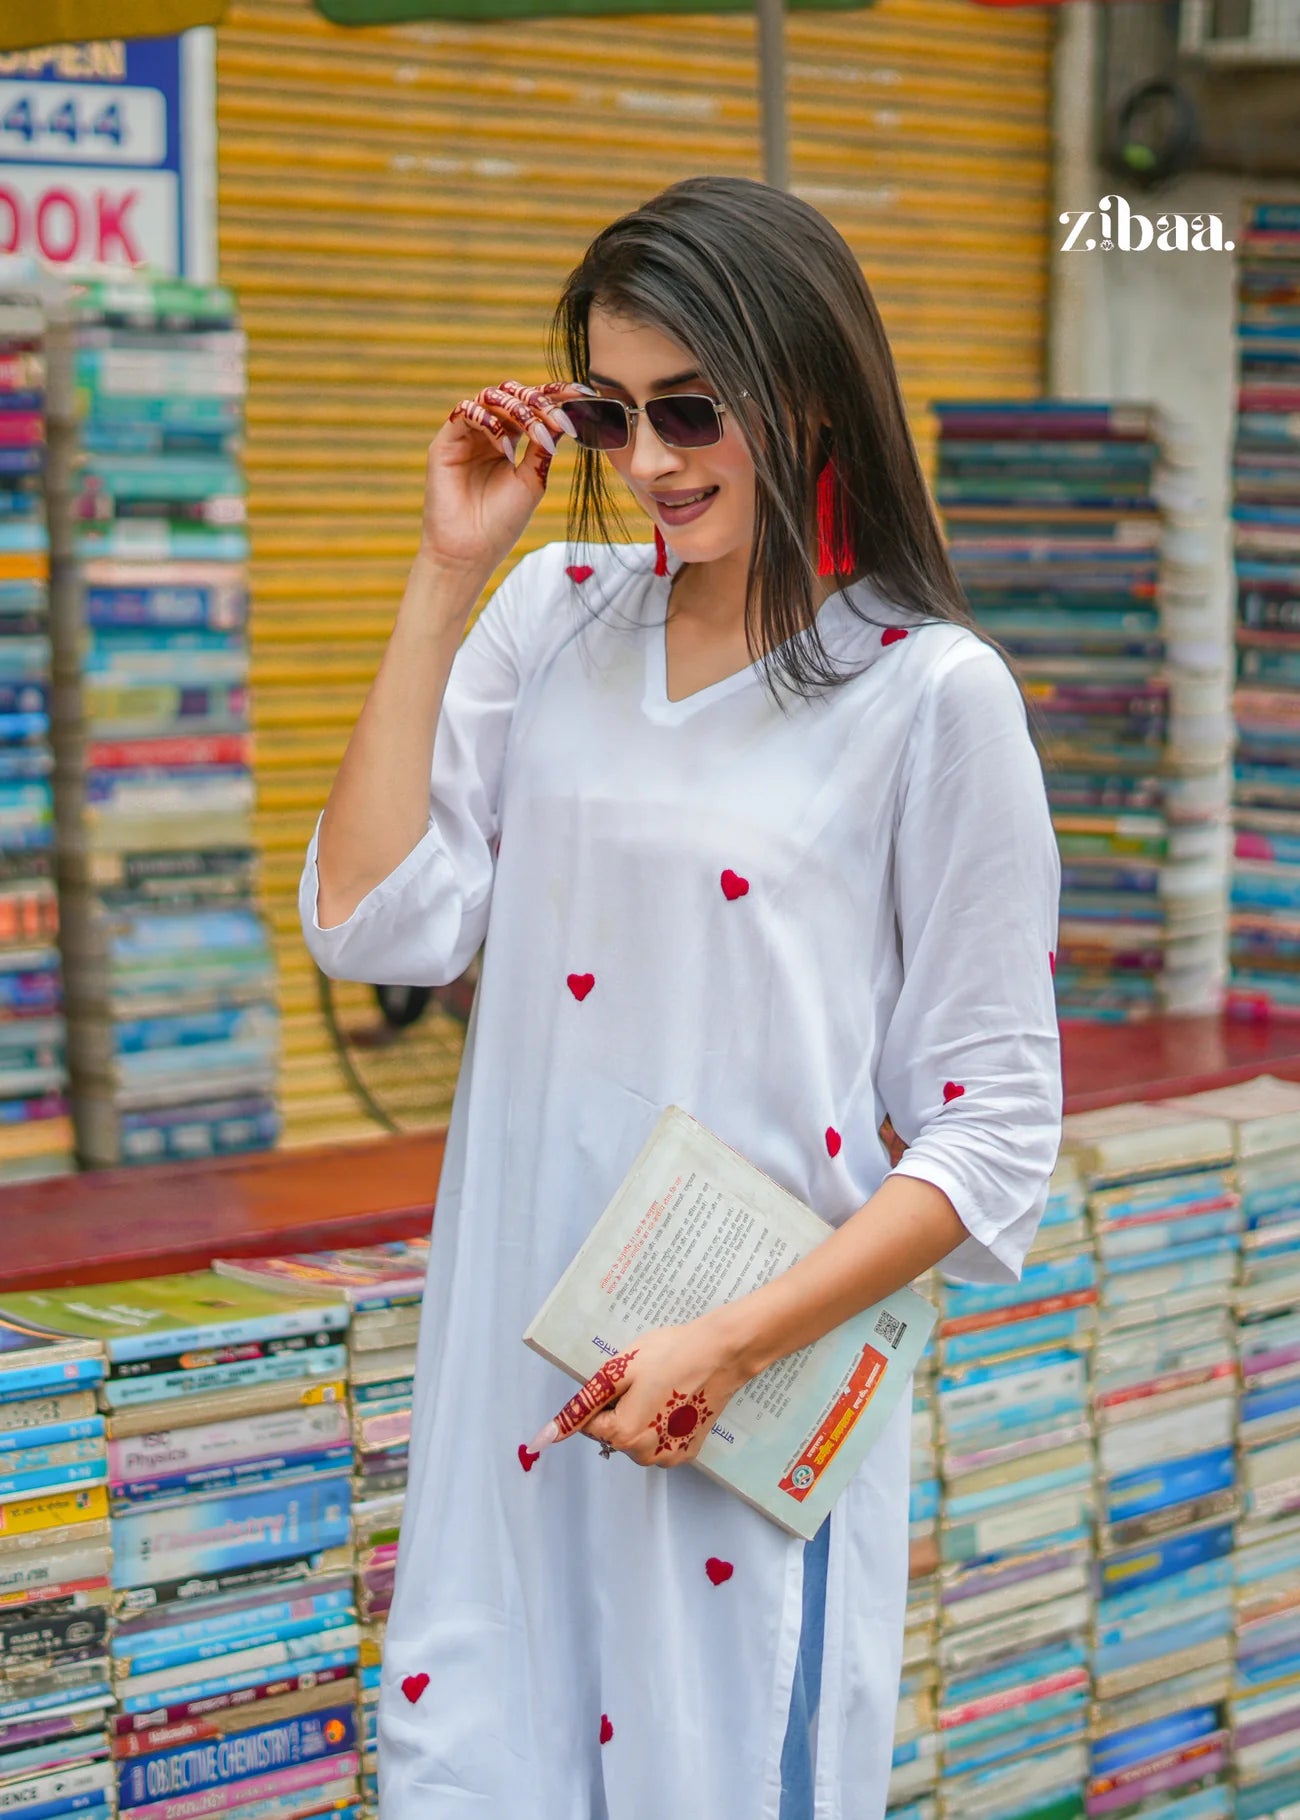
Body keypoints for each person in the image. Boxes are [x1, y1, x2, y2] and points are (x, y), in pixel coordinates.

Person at [299, 175, 1062, 1820]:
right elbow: (371, 924)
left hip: (736, 1404)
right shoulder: (551, 615)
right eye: (611, 411)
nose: (649, 459)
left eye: (692, 409)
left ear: (809, 392)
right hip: (514, 1393)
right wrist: (444, 572)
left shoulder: (931, 697)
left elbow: (995, 1133)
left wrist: (720, 1344)